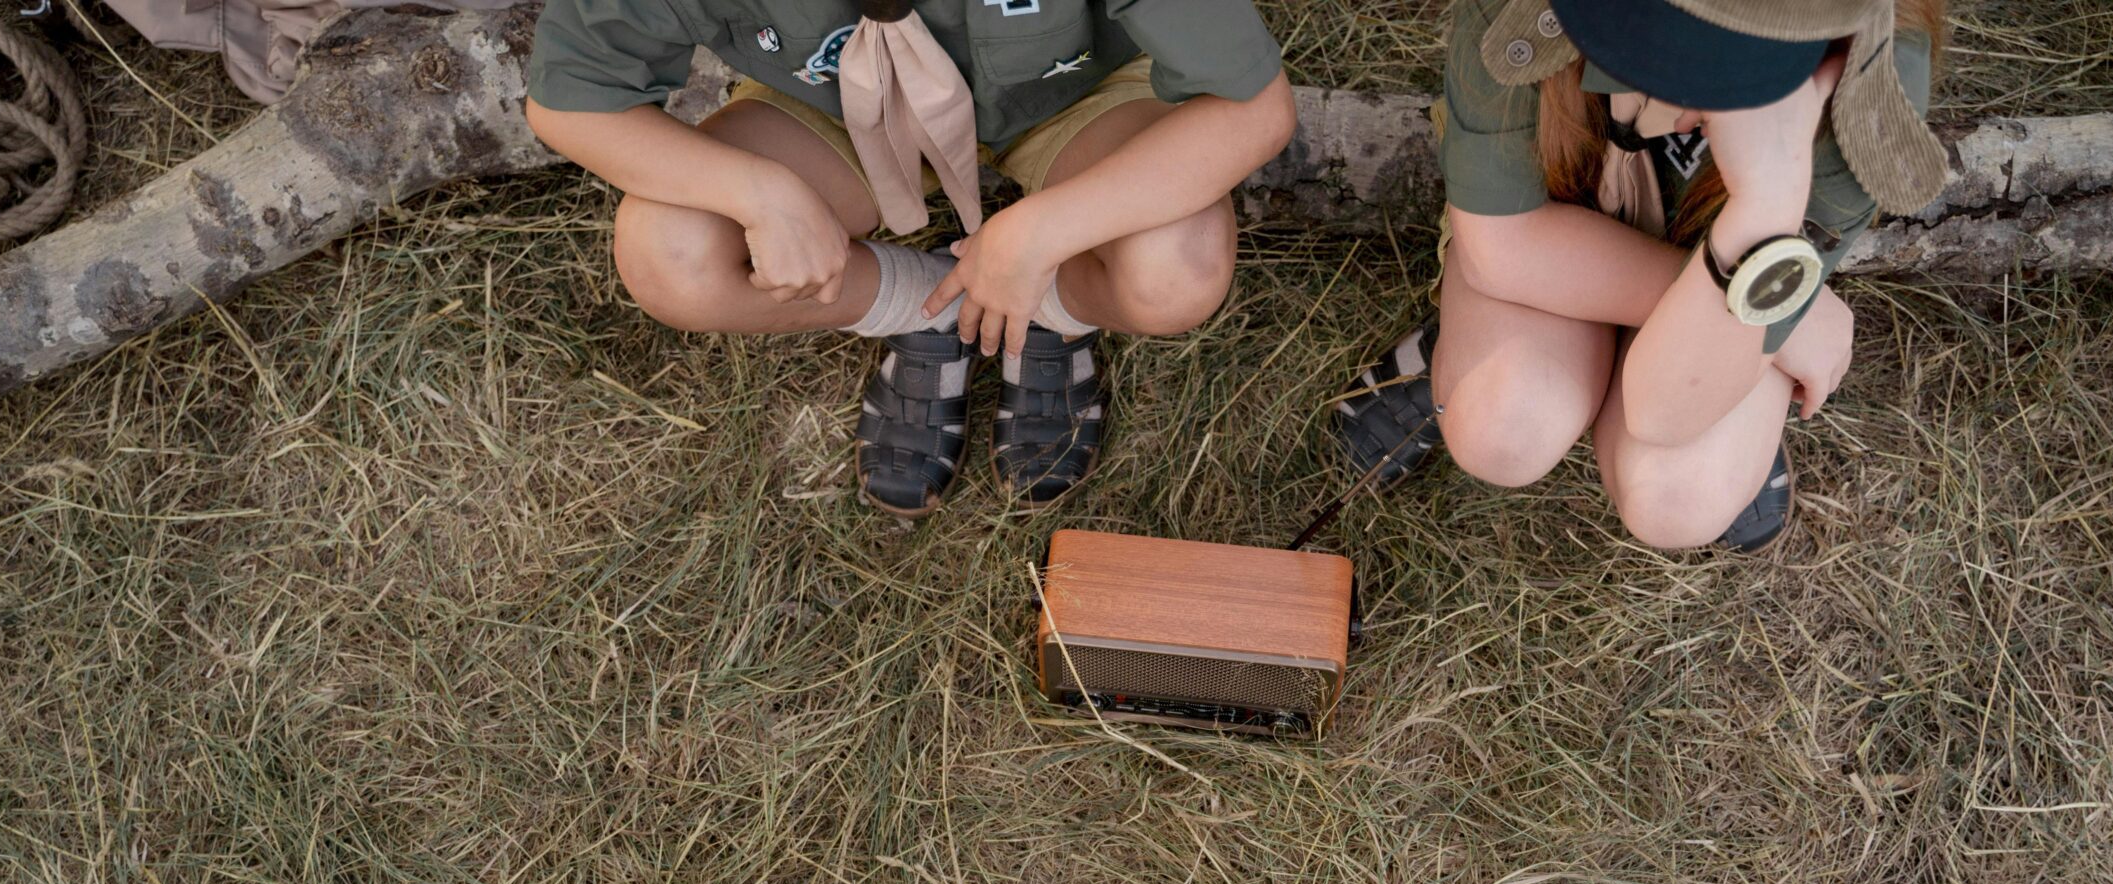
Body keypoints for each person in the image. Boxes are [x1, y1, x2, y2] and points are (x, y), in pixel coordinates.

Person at [523, 0, 1296, 517]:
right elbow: (570, 97)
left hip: (1080, 91)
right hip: (829, 105)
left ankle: (1041, 307)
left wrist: (1038, 237)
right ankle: (931, 305)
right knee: (671, 253)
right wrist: (759, 193)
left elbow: (1254, 107)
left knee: (1178, 264)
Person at [1333, 0, 1947, 553]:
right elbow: (1506, 243)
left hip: (1702, 266)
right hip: (1559, 235)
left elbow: (1662, 412)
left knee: (1679, 499)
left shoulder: (1868, 82)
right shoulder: (1528, 10)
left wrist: (1767, 204)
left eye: (1732, 66)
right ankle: (1469, 341)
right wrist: (1783, 317)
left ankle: (1725, 374)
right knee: (1502, 425)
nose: (1682, 96)